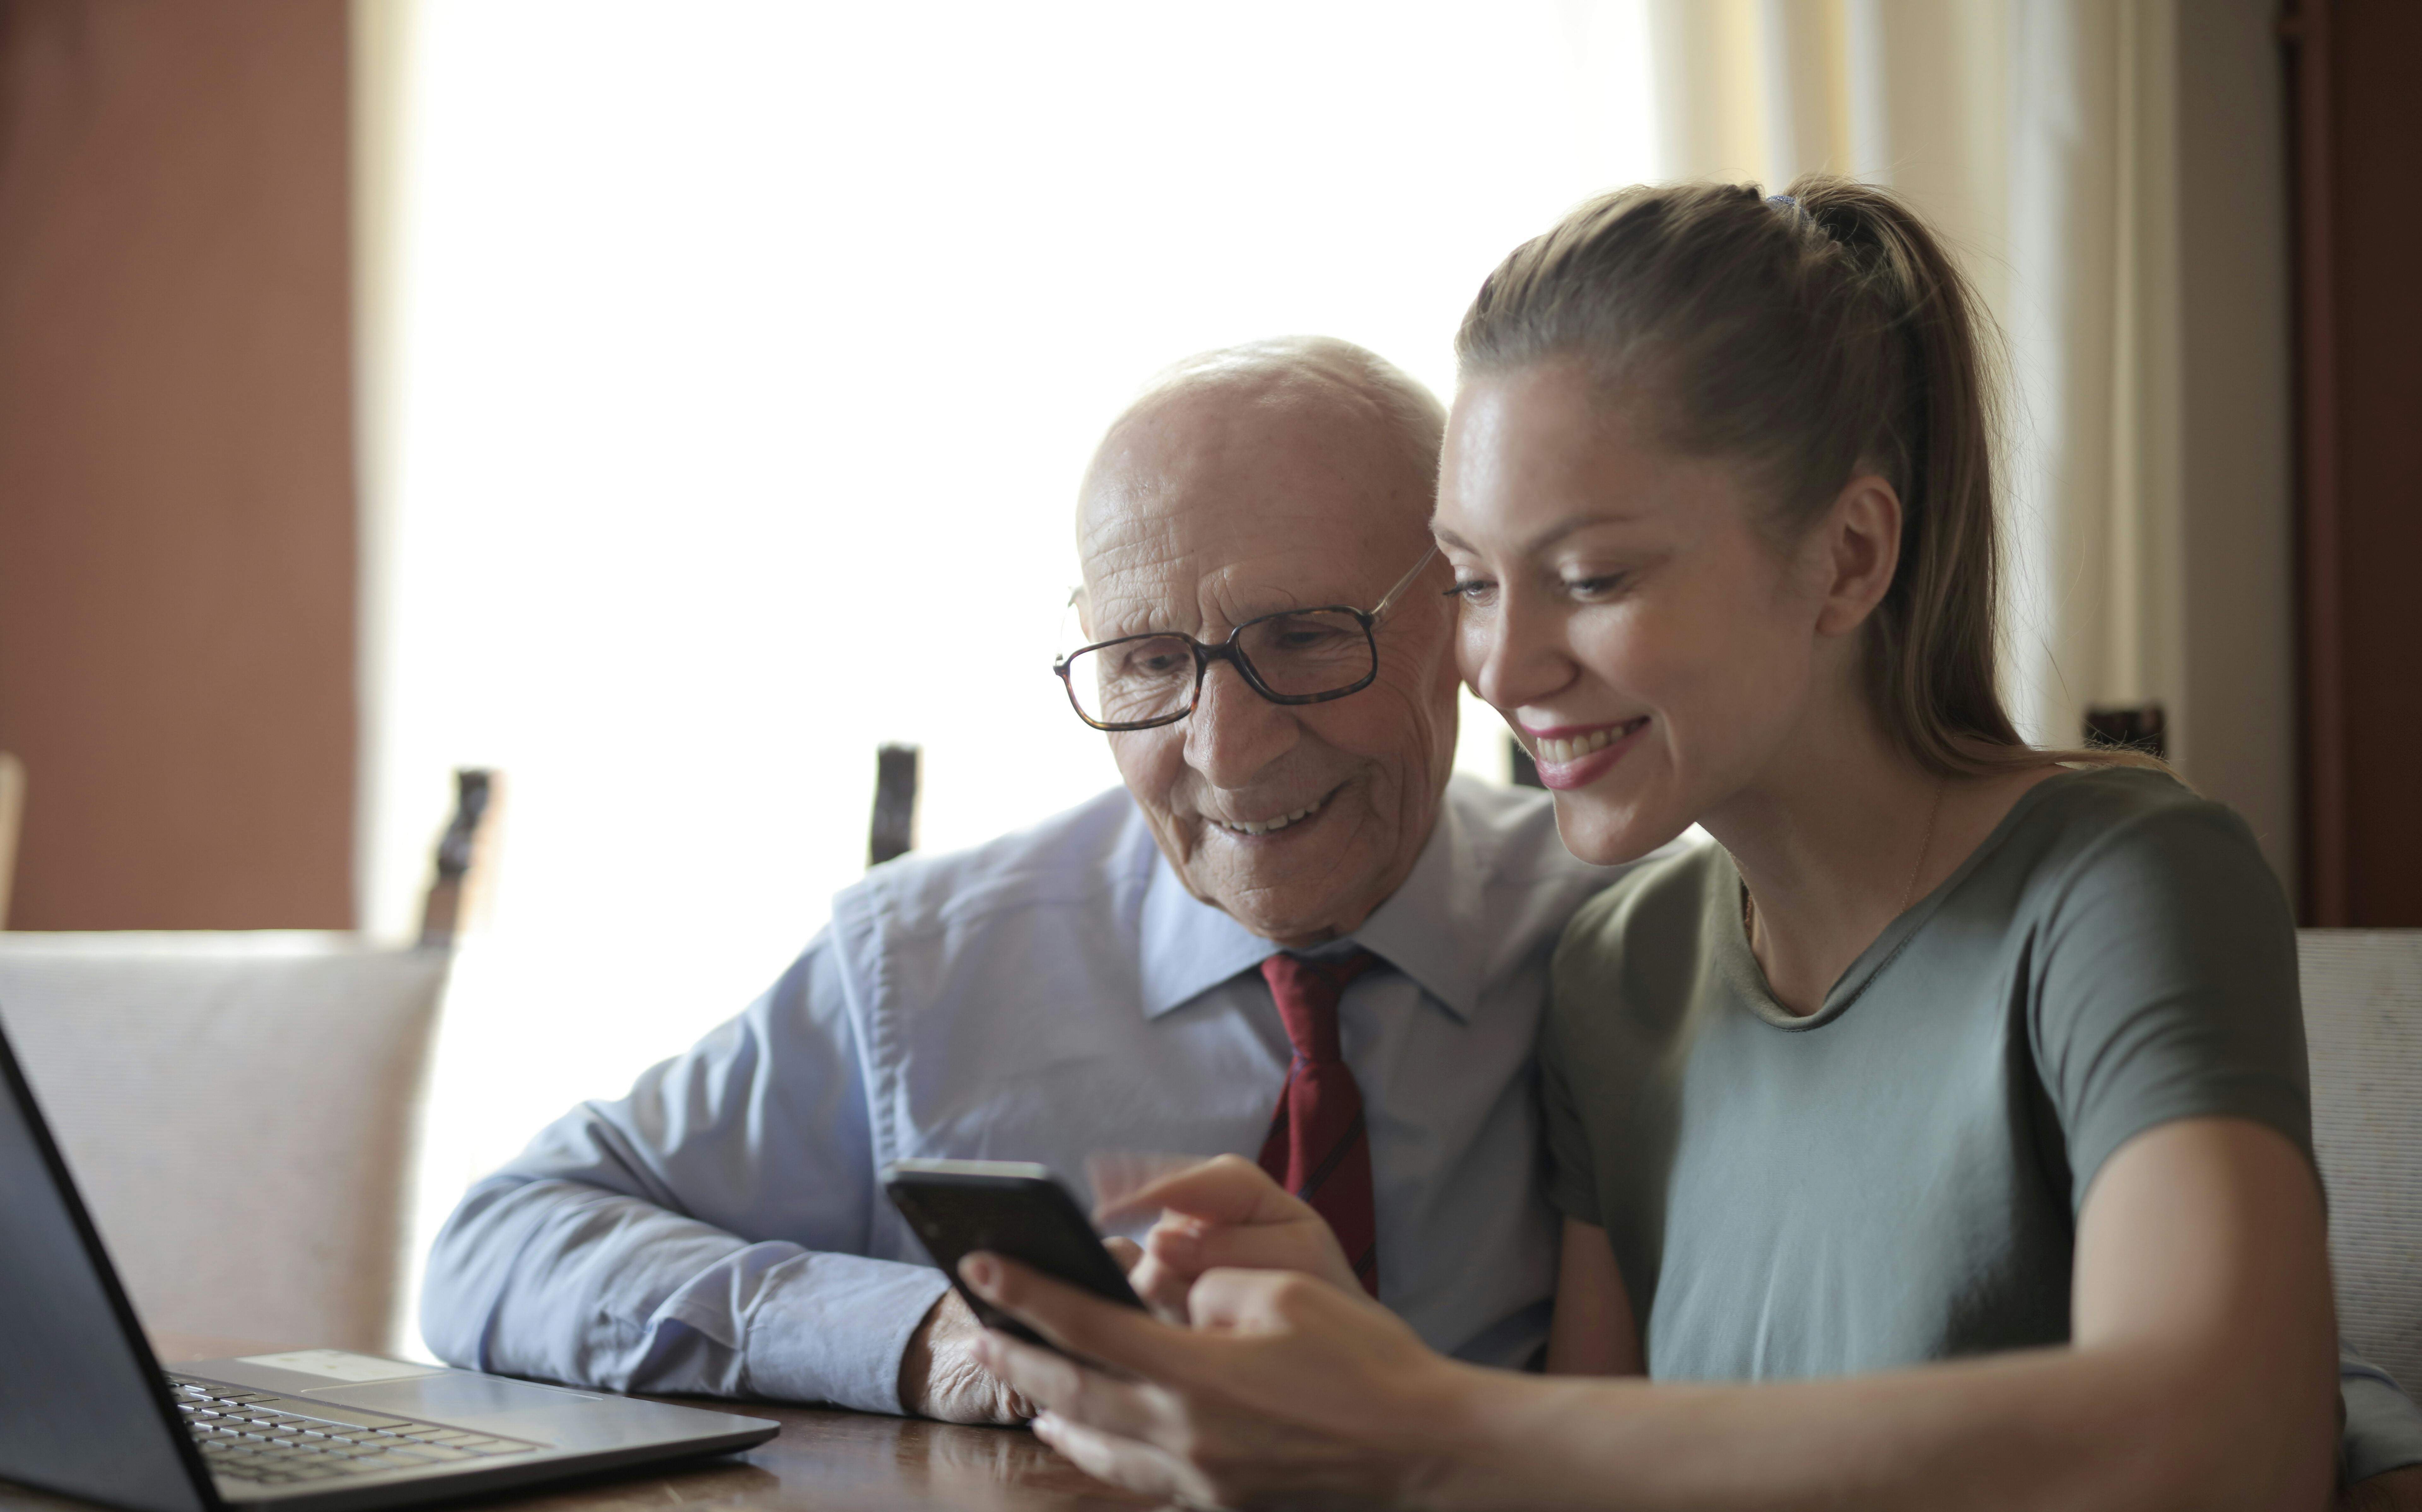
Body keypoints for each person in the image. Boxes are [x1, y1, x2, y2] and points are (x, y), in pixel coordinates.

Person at [960, 179, 2405, 1512]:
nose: (1505, 671)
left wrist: (1410, 1421)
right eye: (1469, 580)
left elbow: (2223, 1483)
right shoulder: (1623, 967)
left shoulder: (2121, 882)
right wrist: (1347, 1364)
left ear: (1849, 555)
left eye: (1589, 576)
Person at [418, 337, 1637, 1422]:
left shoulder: (1637, 943)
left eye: (1308, 638)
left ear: (1465, 615)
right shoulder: (927, 965)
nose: (1225, 749)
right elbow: (499, 1246)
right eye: (1151, 662)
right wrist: (920, 1336)